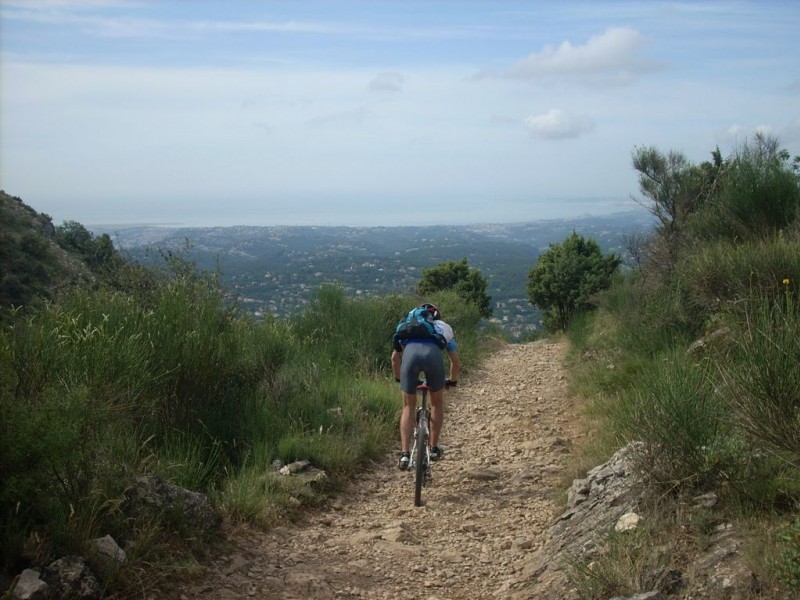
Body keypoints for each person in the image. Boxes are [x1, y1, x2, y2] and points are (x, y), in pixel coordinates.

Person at [391, 303, 461, 470]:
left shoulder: (407, 326)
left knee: (408, 405)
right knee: (436, 403)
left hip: (410, 358)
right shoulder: (443, 327)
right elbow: (455, 362)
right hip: (433, 358)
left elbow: (394, 359)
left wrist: (400, 379)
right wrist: (452, 380)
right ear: (435, 316)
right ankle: (434, 448)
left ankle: (405, 454)